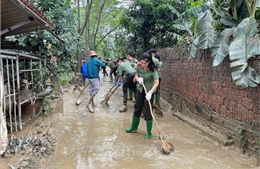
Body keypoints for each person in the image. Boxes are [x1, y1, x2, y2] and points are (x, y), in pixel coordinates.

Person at [126, 52, 159, 139]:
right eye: (142, 63)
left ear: (149, 62)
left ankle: (149, 132)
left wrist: (150, 93)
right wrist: (137, 78)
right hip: (141, 89)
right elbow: (136, 74)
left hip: (149, 91)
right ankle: (134, 127)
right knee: (137, 107)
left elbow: (156, 82)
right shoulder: (139, 67)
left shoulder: (153, 70)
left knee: (148, 111)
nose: (143, 65)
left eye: (145, 63)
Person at [148, 48, 163, 116]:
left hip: (151, 78)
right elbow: (159, 69)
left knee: (151, 90)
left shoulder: (148, 59)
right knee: (156, 90)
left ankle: (151, 105)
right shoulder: (158, 62)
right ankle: (157, 103)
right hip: (158, 77)